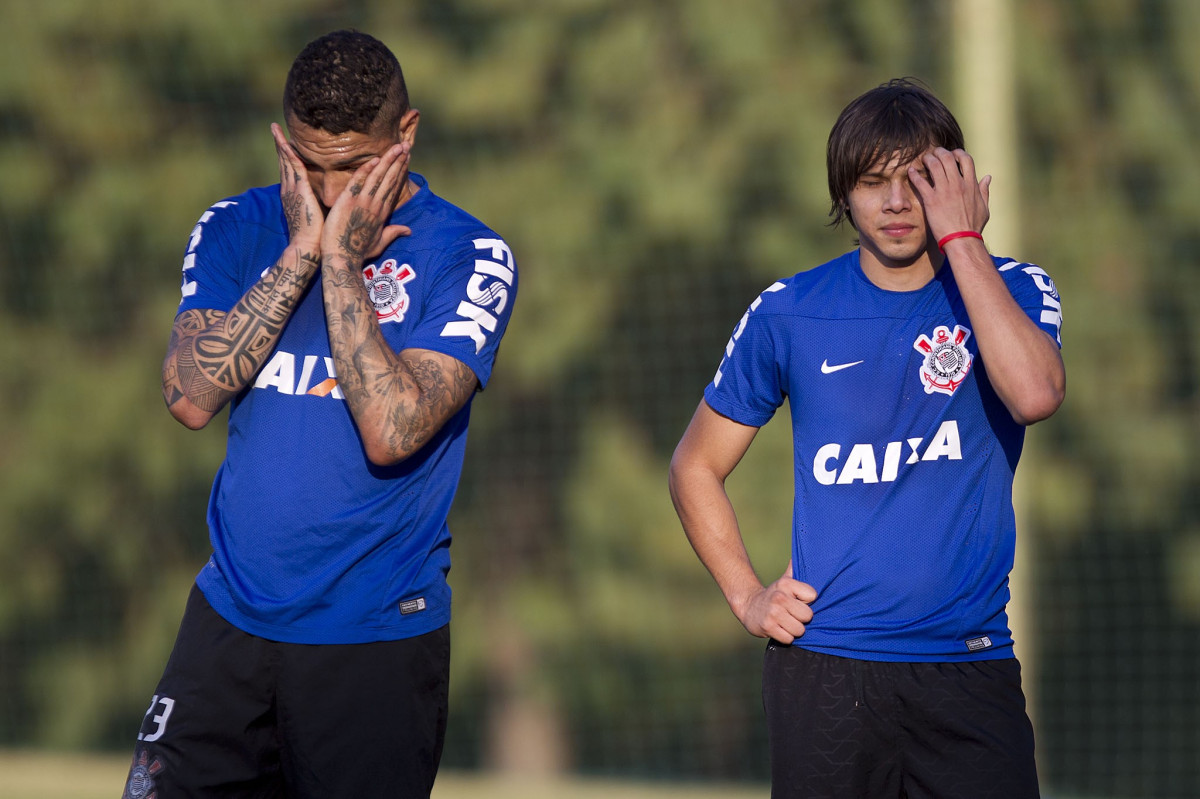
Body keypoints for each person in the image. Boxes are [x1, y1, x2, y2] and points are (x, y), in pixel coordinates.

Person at [122, 30, 517, 799]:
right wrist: (302, 250)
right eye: (309, 165)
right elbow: (190, 398)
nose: (332, 193)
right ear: (281, 140)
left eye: (354, 167)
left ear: (406, 135)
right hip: (228, 624)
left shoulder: (471, 254)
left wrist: (342, 264)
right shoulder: (237, 226)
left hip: (372, 641)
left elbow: (393, 426)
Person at [668, 78, 1064, 799]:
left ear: (955, 181)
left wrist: (965, 239)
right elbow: (695, 466)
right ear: (841, 194)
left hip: (969, 668)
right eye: (871, 182)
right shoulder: (788, 311)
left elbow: (1035, 393)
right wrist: (748, 596)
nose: (894, 203)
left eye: (918, 181)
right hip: (826, 674)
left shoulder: (1015, 288)